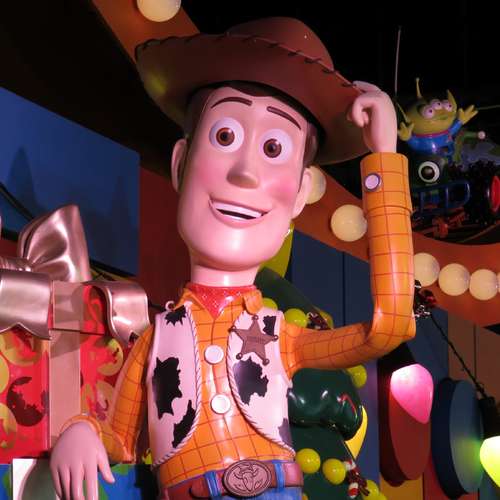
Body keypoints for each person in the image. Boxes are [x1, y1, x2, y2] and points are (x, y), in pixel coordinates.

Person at [50, 17, 415, 500]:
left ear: (300, 193)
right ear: (180, 164)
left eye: (273, 148)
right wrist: (81, 430)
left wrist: (383, 160)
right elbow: (120, 437)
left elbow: (388, 327)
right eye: (225, 137)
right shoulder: (155, 341)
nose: (245, 172)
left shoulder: (281, 337)